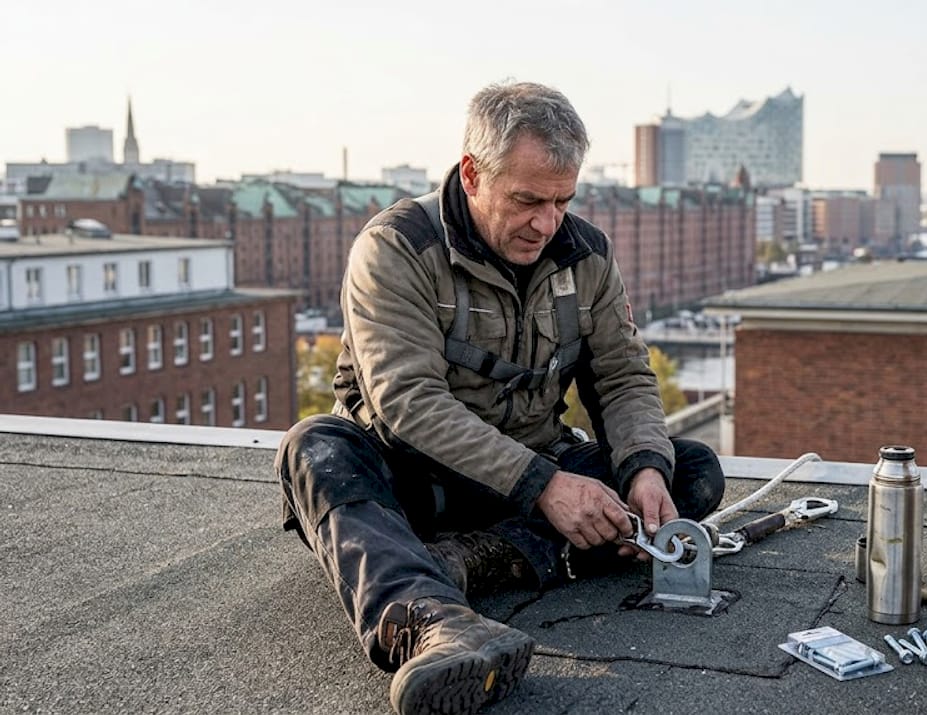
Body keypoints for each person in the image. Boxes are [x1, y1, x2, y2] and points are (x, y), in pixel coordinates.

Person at [274, 81, 725, 715]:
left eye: (562, 201)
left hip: (531, 475)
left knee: (691, 470)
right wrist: (547, 487)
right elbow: (407, 402)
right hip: (416, 487)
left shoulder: (586, 254)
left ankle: (466, 563)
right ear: (473, 174)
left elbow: (623, 378)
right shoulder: (397, 248)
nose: (547, 223)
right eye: (528, 200)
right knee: (315, 449)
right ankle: (434, 624)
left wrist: (644, 471)